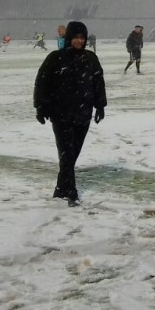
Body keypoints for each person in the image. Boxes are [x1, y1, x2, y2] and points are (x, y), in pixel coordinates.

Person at [33, 20, 106, 207]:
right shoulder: (56, 58)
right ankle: (71, 192)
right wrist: (40, 107)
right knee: (66, 154)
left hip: (83, 114)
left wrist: (100, 106)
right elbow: (42, 82)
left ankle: (60, 188)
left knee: (72, 155)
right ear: (69, 38)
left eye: (82, 38)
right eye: (75, 37)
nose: (79, 41)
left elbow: (98, 83)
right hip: (61, 114)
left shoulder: (91, 58)